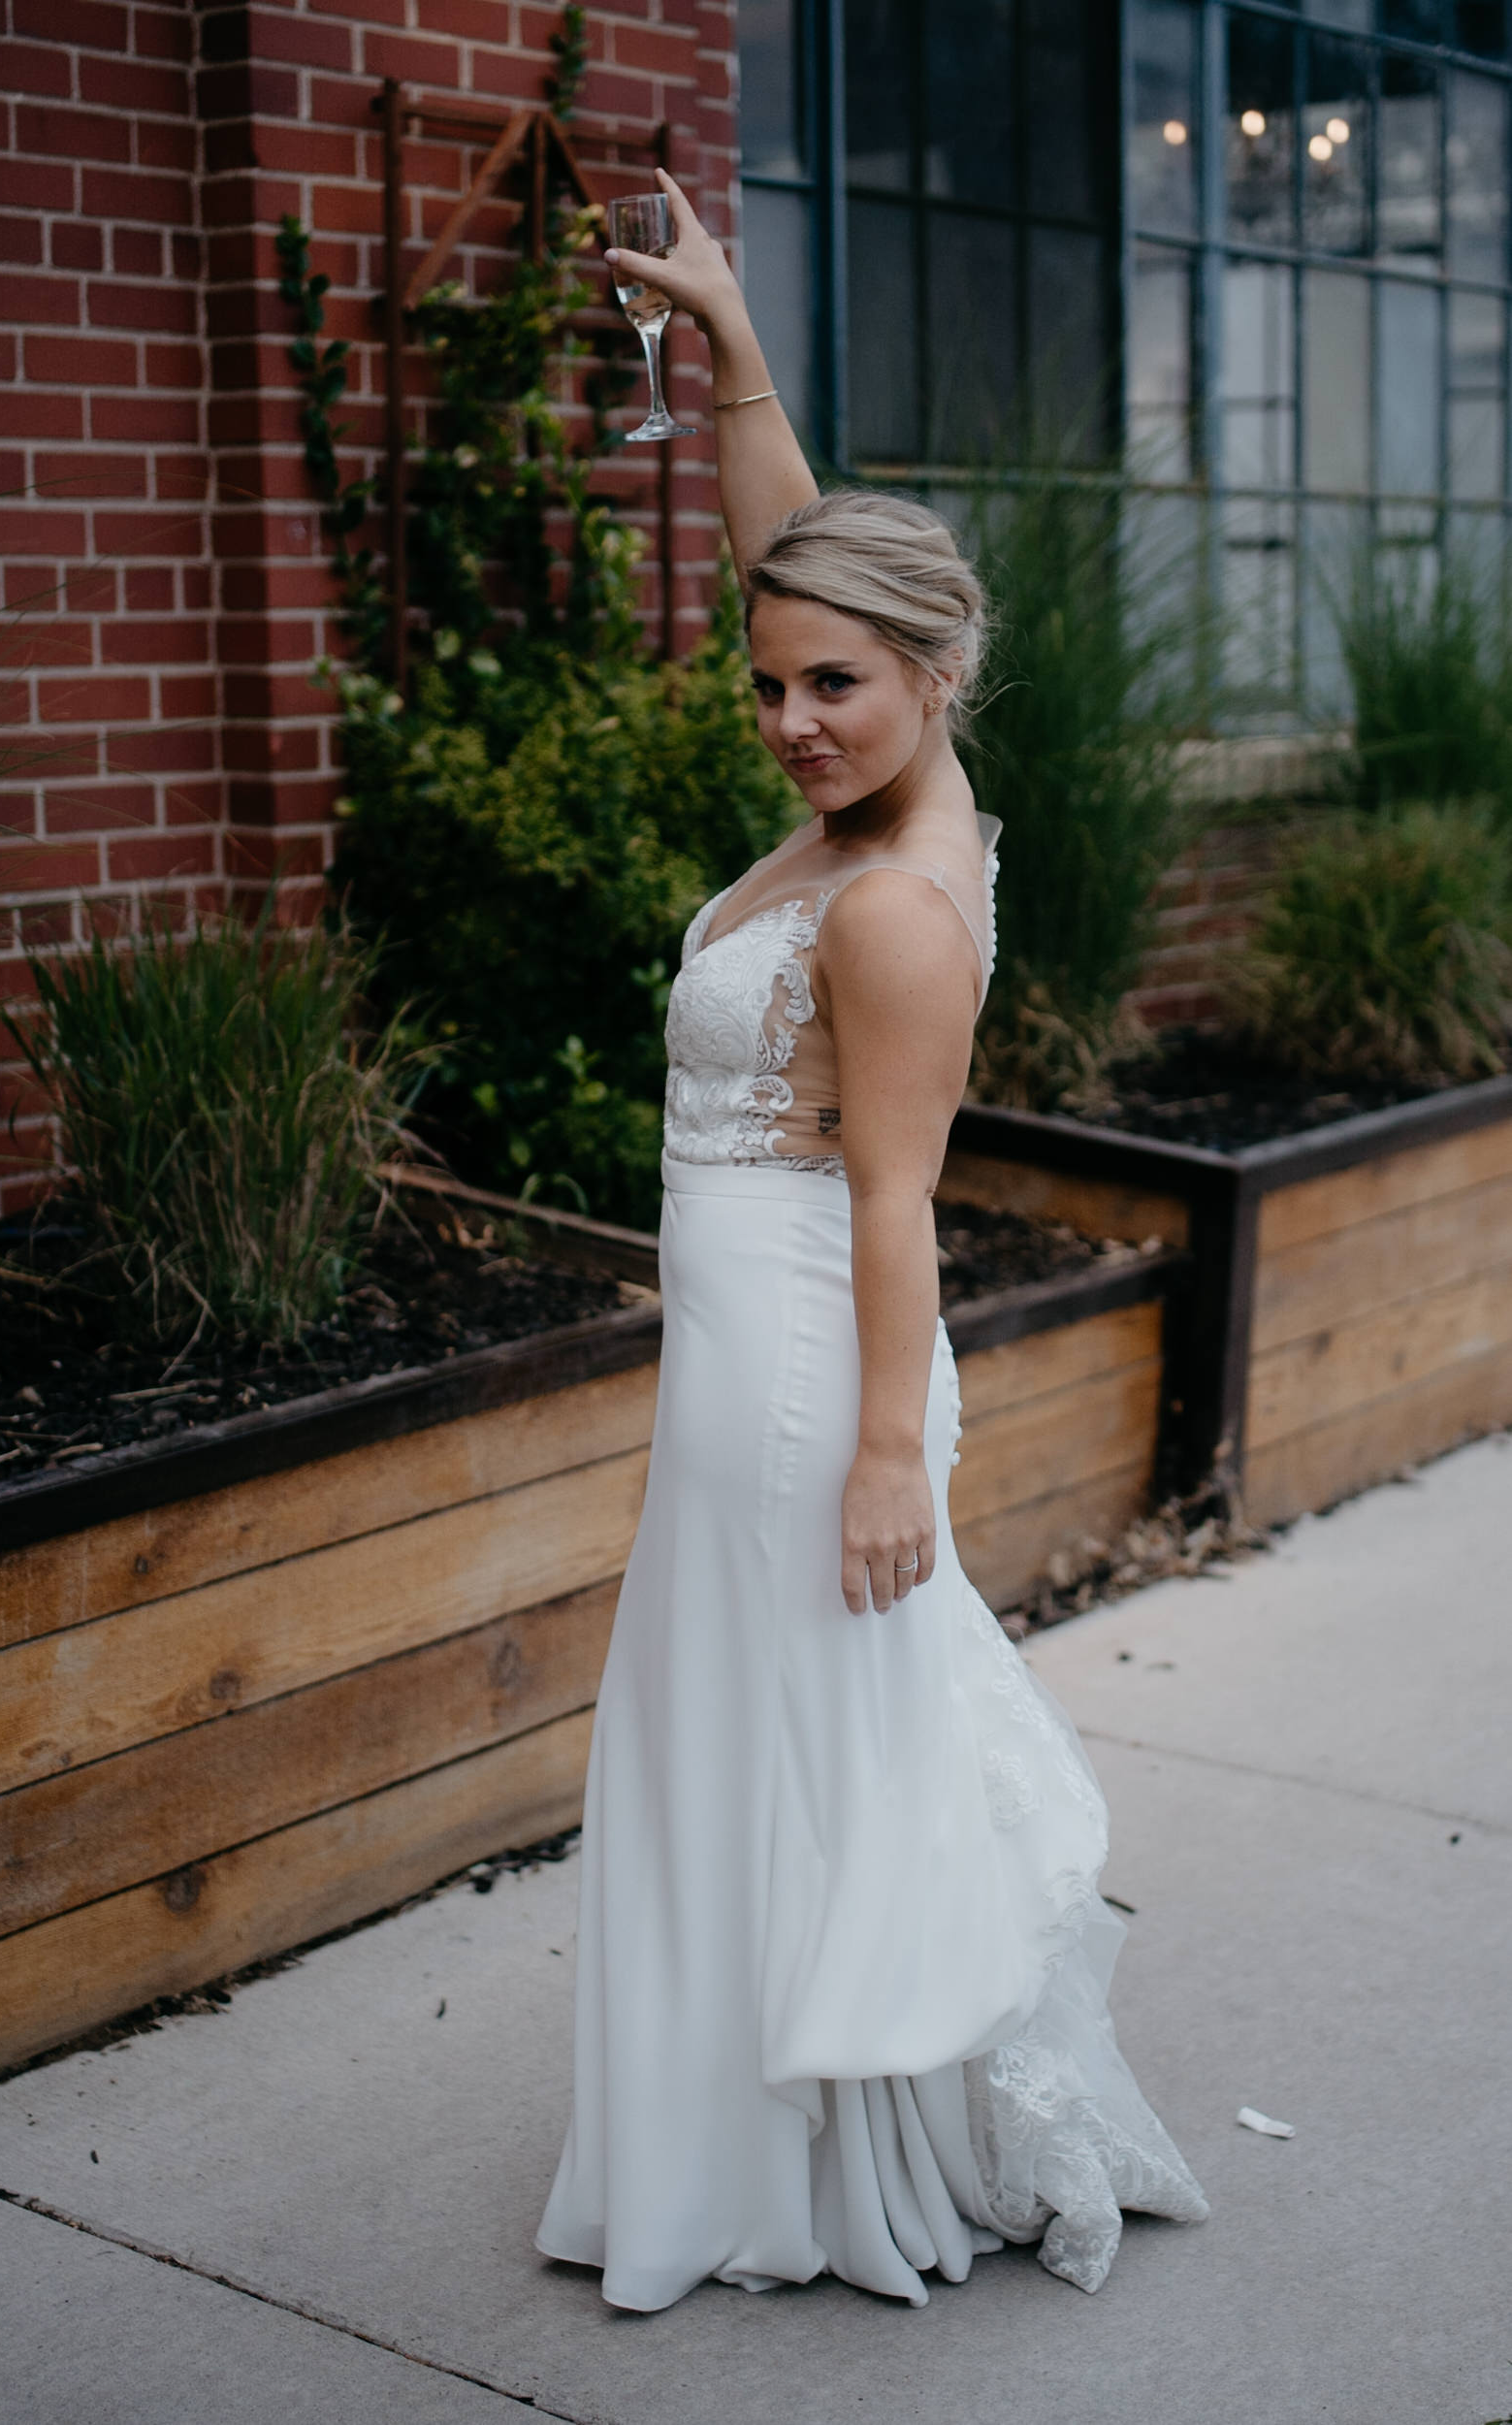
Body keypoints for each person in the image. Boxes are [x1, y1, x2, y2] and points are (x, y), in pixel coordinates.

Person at [535, 170, 1206, 2313]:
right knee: (736, 1733)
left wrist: (886, 1454)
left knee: (784, 1736)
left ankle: (819, 2165)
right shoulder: (894, 781)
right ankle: (769, 2118)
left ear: (927, 672)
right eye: (766, 686)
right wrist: (734, 351)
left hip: (811, 1369)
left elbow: (904, 1196)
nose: (788, 718)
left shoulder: (898, 902)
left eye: (831, 685)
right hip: (746, 1348)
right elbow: (795, 560)